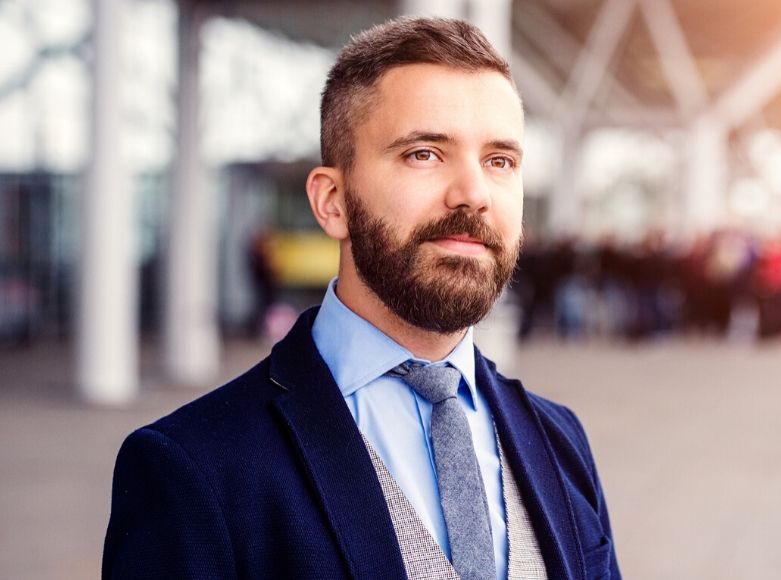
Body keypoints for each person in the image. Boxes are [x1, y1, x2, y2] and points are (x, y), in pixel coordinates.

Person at [103, 17, 620, 580]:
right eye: (424, 153)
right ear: (332, 201)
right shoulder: (194, 468)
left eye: (500, 161)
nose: (473, 193)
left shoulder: (560, 439)